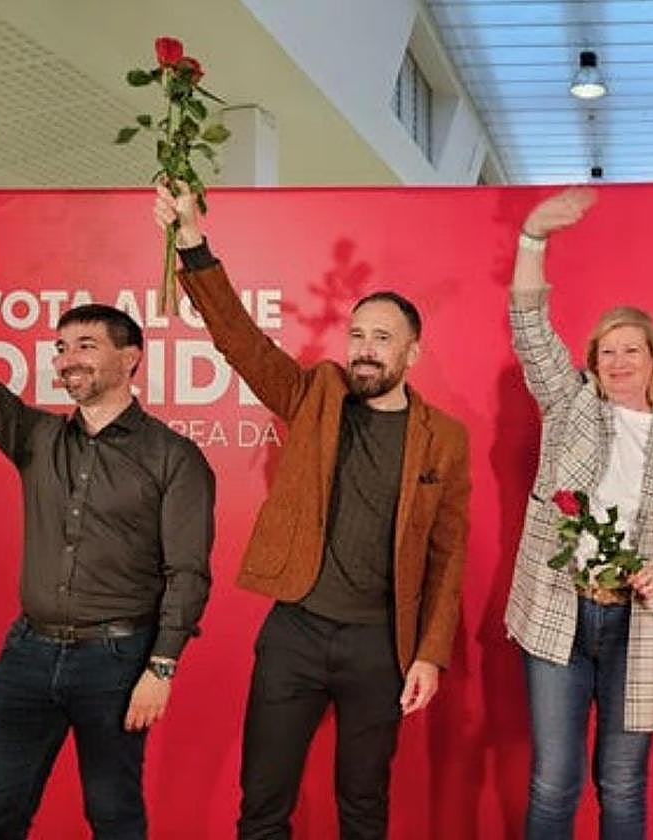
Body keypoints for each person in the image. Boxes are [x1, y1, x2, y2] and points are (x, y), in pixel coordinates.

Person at [0, 224, 216, 839]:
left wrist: (161, 667)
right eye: (59, 348)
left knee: (114, 815)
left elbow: (187, 571)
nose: (65, 359)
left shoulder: (174, 458)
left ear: (128, 359)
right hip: (27, 654)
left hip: (119, 659)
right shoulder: (36, 436)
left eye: (83, 346)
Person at [154, 183, 470, 840]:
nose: (365, 349)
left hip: (380, 645)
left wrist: (429, 656)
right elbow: (241, 342)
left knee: (364, 807)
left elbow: (447, 552)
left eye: (383, 338)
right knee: (263, 802)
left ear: (413, 352)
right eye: (357, 334)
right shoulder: (316, 394)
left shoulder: (444, 437)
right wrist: (190, 241)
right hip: (294, 633)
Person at [504, 187, 653, 839]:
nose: (619, 360)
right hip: (559, 614)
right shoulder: (571, 404)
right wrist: (532, 237)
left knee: (624, 783)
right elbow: (529, 328)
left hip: (644, 622)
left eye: (632, 349)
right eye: (607, 350)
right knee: (554, 780)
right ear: (594, 363)